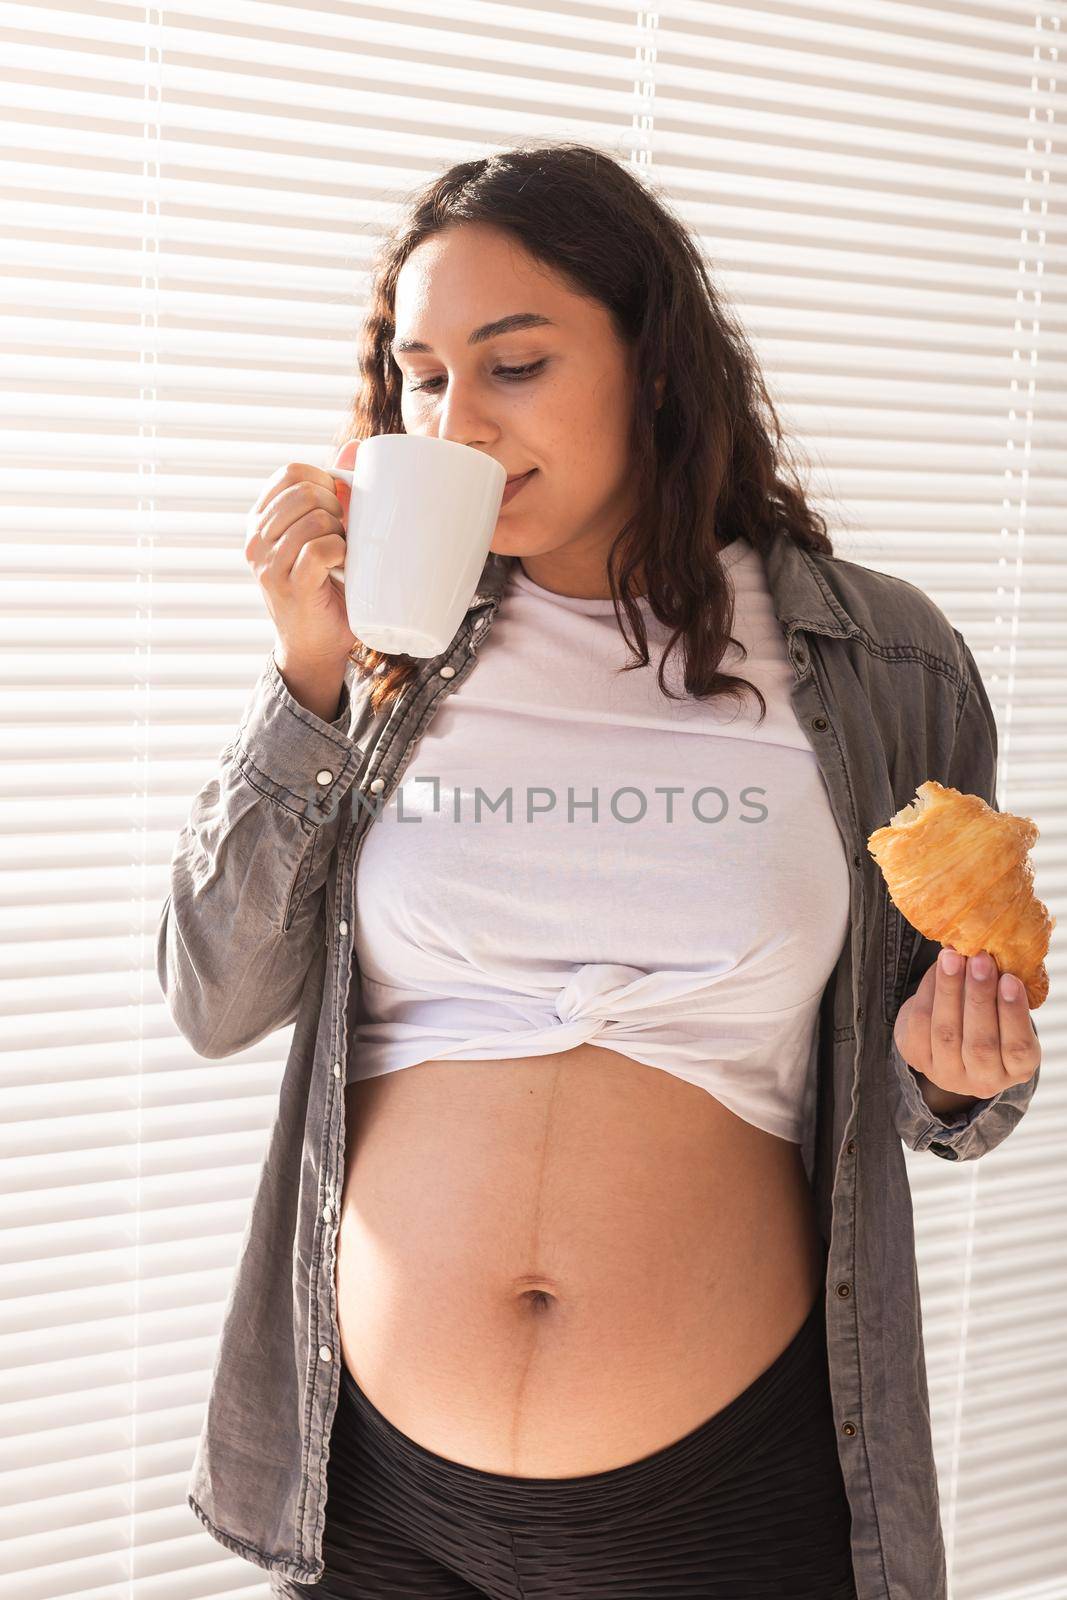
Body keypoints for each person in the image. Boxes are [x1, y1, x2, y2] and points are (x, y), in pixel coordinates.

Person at [158, 143, 1041, 1600]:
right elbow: (214, 996)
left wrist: (957, 1069)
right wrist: (303, 681)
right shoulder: (387, 650)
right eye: (423, 375)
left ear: (652, 366)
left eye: (514, 366)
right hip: (375, 1496)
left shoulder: (881, 661)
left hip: (724, 1500)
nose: (455, 420)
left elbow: (941, 1089)